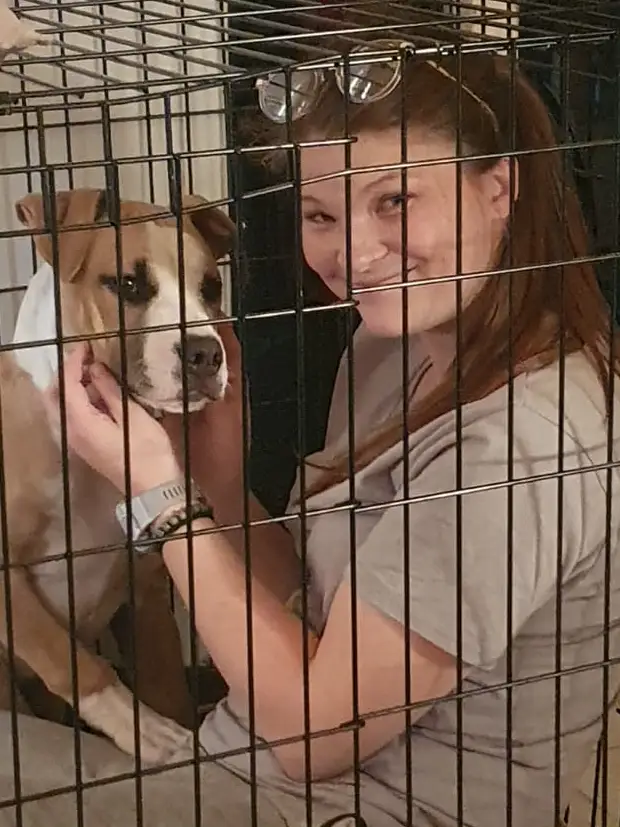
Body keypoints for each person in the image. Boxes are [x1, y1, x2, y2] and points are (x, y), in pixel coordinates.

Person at [2, 37, 620, 827]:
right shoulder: (391, 348)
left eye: (395, 201)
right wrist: (220, 483)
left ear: (498, 189)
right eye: (322, 213)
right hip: (243, 757)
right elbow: (311, 600)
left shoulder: (522, 442)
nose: (354, 251)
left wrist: (160, 495)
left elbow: (317, 736)